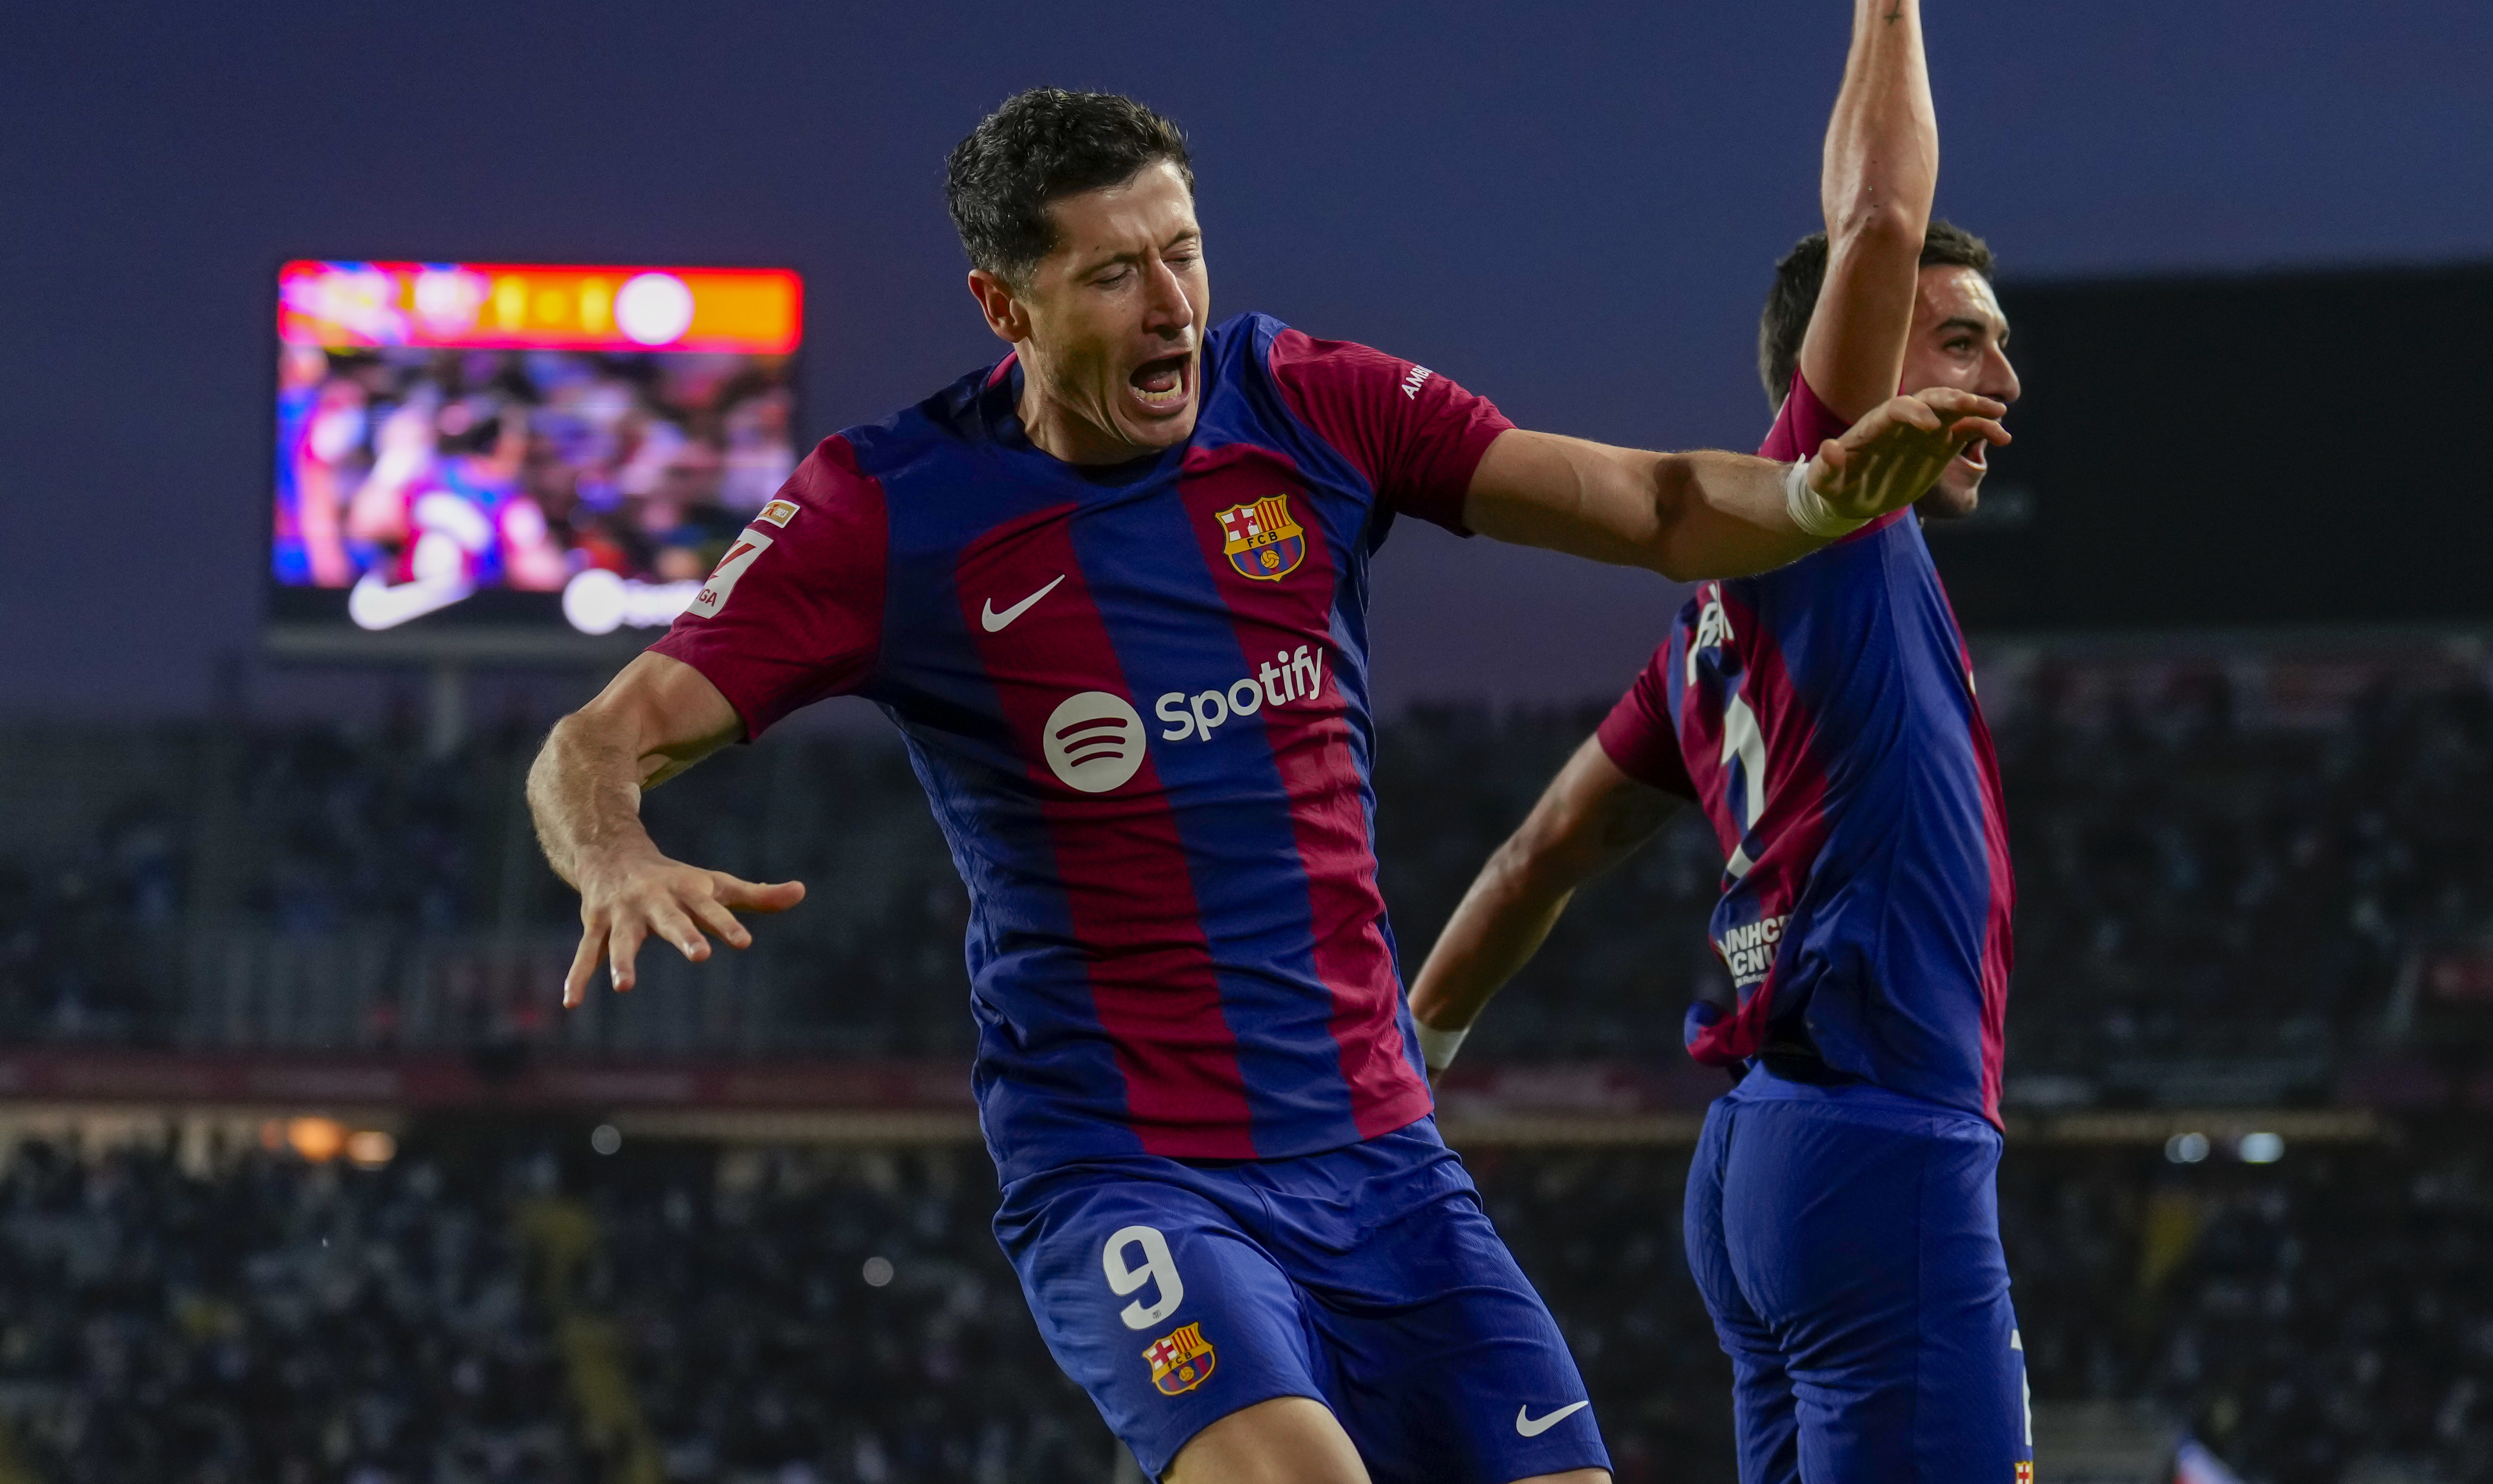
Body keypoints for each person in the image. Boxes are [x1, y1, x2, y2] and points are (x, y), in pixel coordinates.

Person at [525, 84, 2003, 1484]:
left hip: (1380, 1155)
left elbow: (1656, 502)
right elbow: (599, 738)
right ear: (1005, 306)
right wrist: (614, 852)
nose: (1172, 305)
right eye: (1113, 275)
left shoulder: (1305, 403)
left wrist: (1814, 497)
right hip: (1133, 1169)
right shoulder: (888, 511)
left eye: (1183, 253)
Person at [1407, 0, 2033, 1483]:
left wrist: (1410, 1064)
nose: (2002, 381)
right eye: (1962, 343)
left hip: (1763, 1160)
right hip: (1877, 1144)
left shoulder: (1713, 629)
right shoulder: (1822, 525)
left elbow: (1537, 853)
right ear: (1860, 364)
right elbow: (1879, 227)